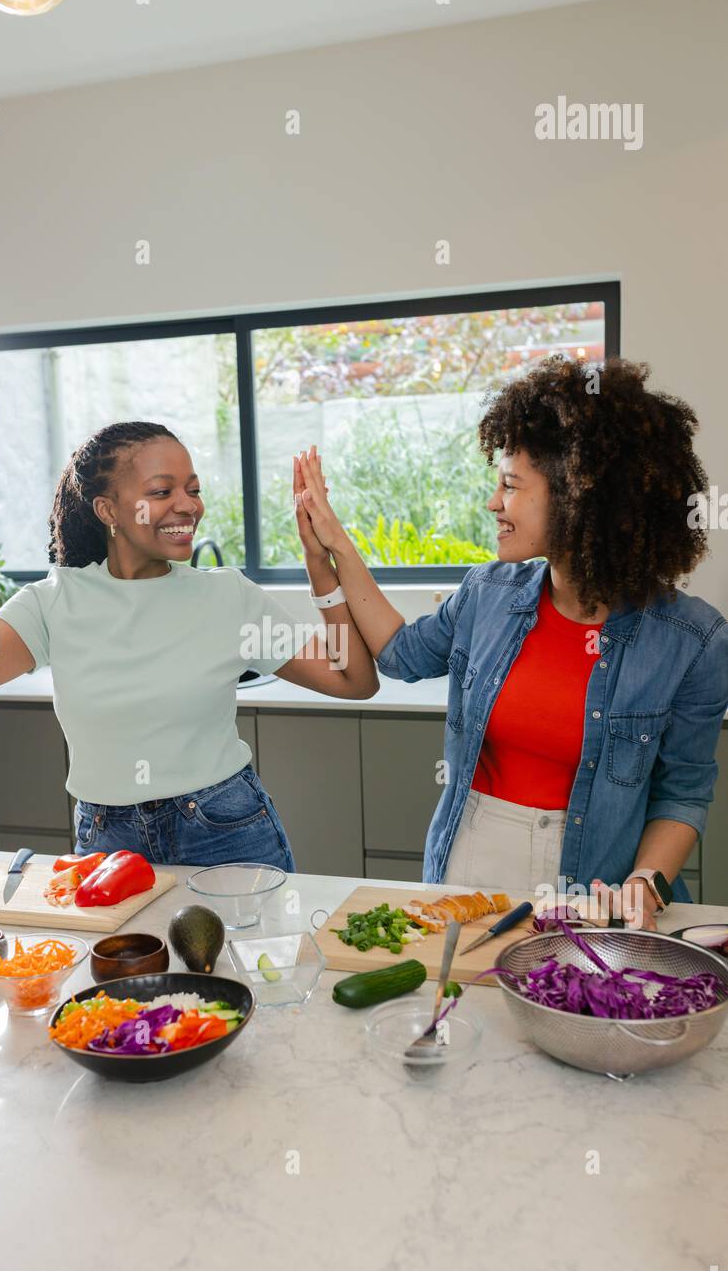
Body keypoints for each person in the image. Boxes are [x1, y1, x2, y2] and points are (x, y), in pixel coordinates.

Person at [293, 356, 728, 928]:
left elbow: (683, 792)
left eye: (510, 485)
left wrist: (646, 883)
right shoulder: (489, 592)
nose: (493, 502)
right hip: (468, 868)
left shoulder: (693, 639)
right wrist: (332, 547)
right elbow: (399, 655)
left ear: (579, 498)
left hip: (590, 886)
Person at [0, 422, 378, 870]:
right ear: (107, 509)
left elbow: (353, 679)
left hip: (225, 829)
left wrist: (319, 561)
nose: (187, 506)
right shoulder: (50, 604)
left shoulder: (228, 597)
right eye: (161, 491)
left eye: (193, 489)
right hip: (108, 843)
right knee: (117, 988)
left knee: (251, 980)